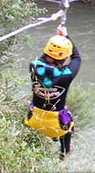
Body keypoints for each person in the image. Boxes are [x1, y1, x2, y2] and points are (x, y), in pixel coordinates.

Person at [25, 25, 82, 160]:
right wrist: (66, 37)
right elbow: (77, 58)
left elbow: (43, 59)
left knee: (40, 106)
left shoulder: (33, 66)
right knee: (67, 120)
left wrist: (57, 41)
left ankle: (51, 137)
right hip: (58, 124)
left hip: (34, 120)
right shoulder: (66, 75)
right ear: (64, 58)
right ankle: (65, 151)